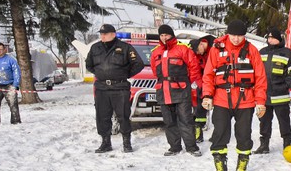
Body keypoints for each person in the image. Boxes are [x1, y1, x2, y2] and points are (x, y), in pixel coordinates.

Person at [201, 20, 267, 171]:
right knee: (220, 133)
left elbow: (260, 78)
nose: (236, 39)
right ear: (227, 34)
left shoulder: (252, 50)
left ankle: (242, 165)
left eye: (240, 36)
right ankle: (220, 167)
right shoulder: (216, 50)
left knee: (244, 134)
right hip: (221, 99)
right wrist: (207, 95)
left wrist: (260, 101)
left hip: (245, 100)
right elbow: (208, 74)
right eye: (233, 35)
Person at [85, 24, 146, 153]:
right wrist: (101, 73)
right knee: (102, 116)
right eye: (101, 34)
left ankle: (126, 142)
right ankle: (105, 142)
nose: (102, 36)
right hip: (102, 88)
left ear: (113, 34)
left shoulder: (125, 47)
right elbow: (89, 65)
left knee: (123, 116)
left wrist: (125, 74)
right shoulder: (95, 48)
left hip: (119, 87)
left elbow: (138, 64)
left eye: (105, 34)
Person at [150, 25, 203, 156]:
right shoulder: (156, 52)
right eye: (161, 35)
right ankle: (174, 147)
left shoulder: (183, 49)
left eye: (166, 35)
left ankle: (192, 147)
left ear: (172, 35)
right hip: (163, 90)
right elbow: (154, 71)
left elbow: (194, 68)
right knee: (169, 121)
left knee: (186, 119)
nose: (164, 38)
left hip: (181, 90)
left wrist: (191, 85)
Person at [254, 27, 291, 154]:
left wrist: (285, 85)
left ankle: (287, 144)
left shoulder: (287, 53)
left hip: (281, 96)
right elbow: (255, 71)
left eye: (273, 37)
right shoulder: (261, 52)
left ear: (279, 39)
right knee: (264, 121)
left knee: (284, 121)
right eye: (269, 38)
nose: (270, 40)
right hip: (264, 96)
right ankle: (264, 145)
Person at [189, 34, 214, 142]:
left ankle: (218, 134)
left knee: (220, 114)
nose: (198, 54)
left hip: (216, 84)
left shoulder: (214, 49)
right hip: (204, 84)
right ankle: (198, 132)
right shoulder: (198, 54)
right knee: (199, 109)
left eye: (198, 51)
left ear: (201, 44)